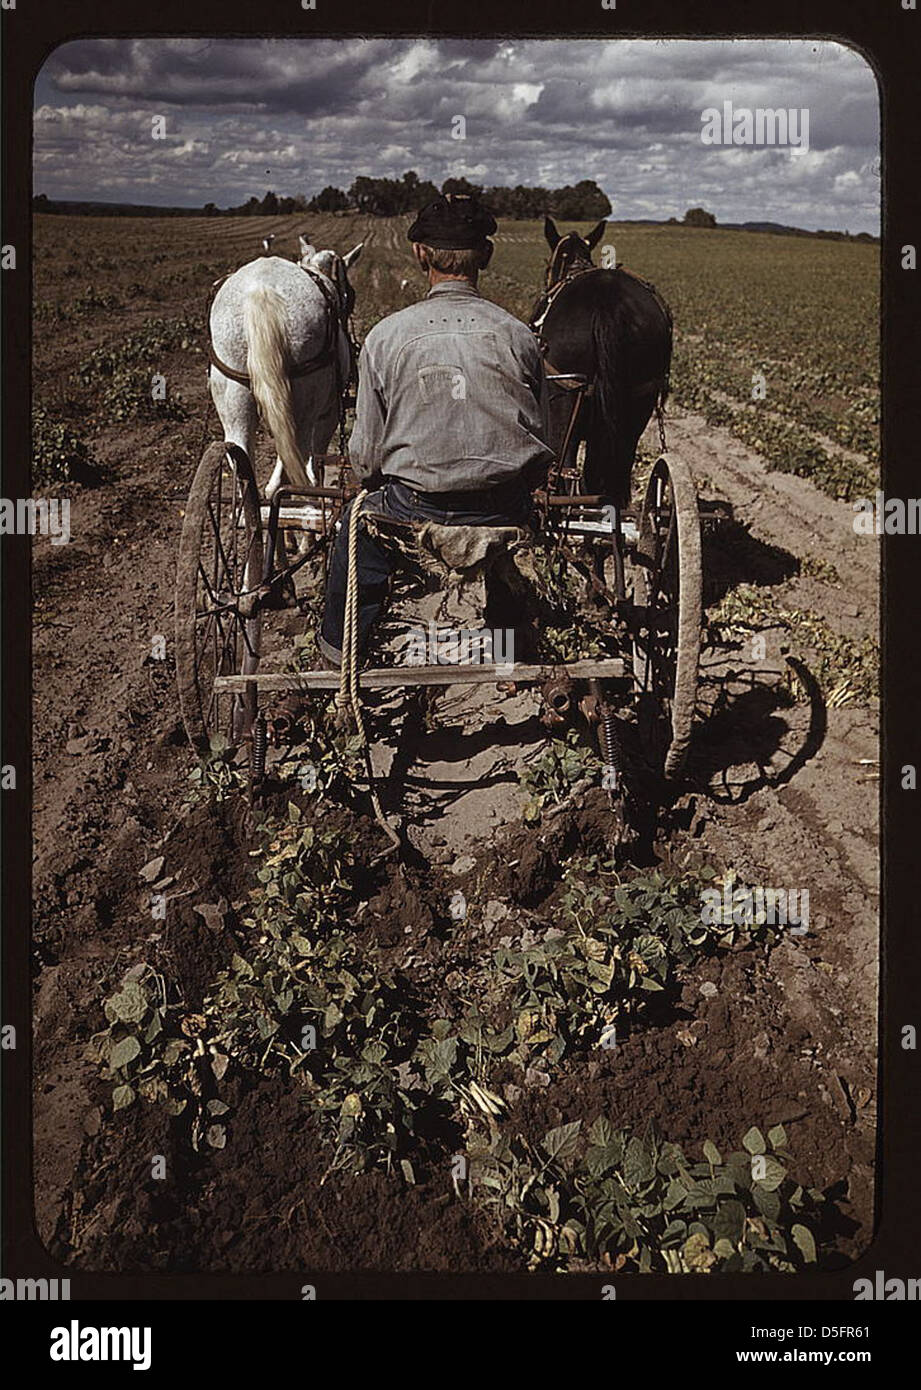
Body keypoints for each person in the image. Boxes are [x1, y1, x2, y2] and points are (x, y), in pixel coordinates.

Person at [318, 193, 553, 667]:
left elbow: (365, 460)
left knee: (355, 530)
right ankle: (509, 646)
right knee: (513, 530)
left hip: (415, 508)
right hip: (504, 506)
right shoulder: (519, 336)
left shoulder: (385, 337)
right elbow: (541, 432)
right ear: (484, 256)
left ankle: (340, 654)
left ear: (420, 253)